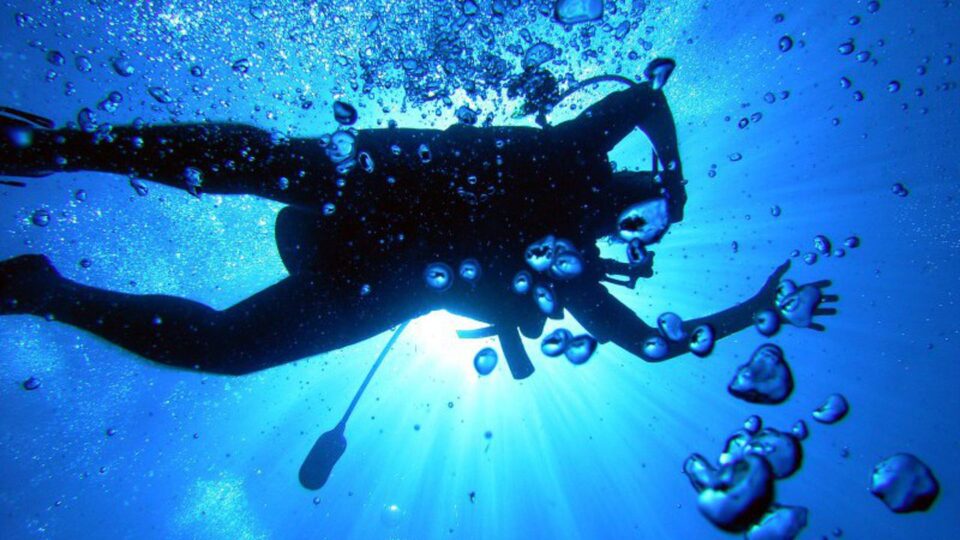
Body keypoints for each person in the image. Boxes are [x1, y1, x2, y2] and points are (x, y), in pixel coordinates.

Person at [0, 59, 836, 379]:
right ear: (626, 180)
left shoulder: (570, 265)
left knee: (230, 348)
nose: (634, 205)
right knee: (263, 162)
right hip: (391, 179)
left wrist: (753, 311)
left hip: (382, 274)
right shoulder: (574, 152)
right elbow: (647, 98)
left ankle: (49, 292)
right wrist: (674, 173)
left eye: (641, 212)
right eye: (643, 194)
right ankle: (64, 147)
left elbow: (646, 342)